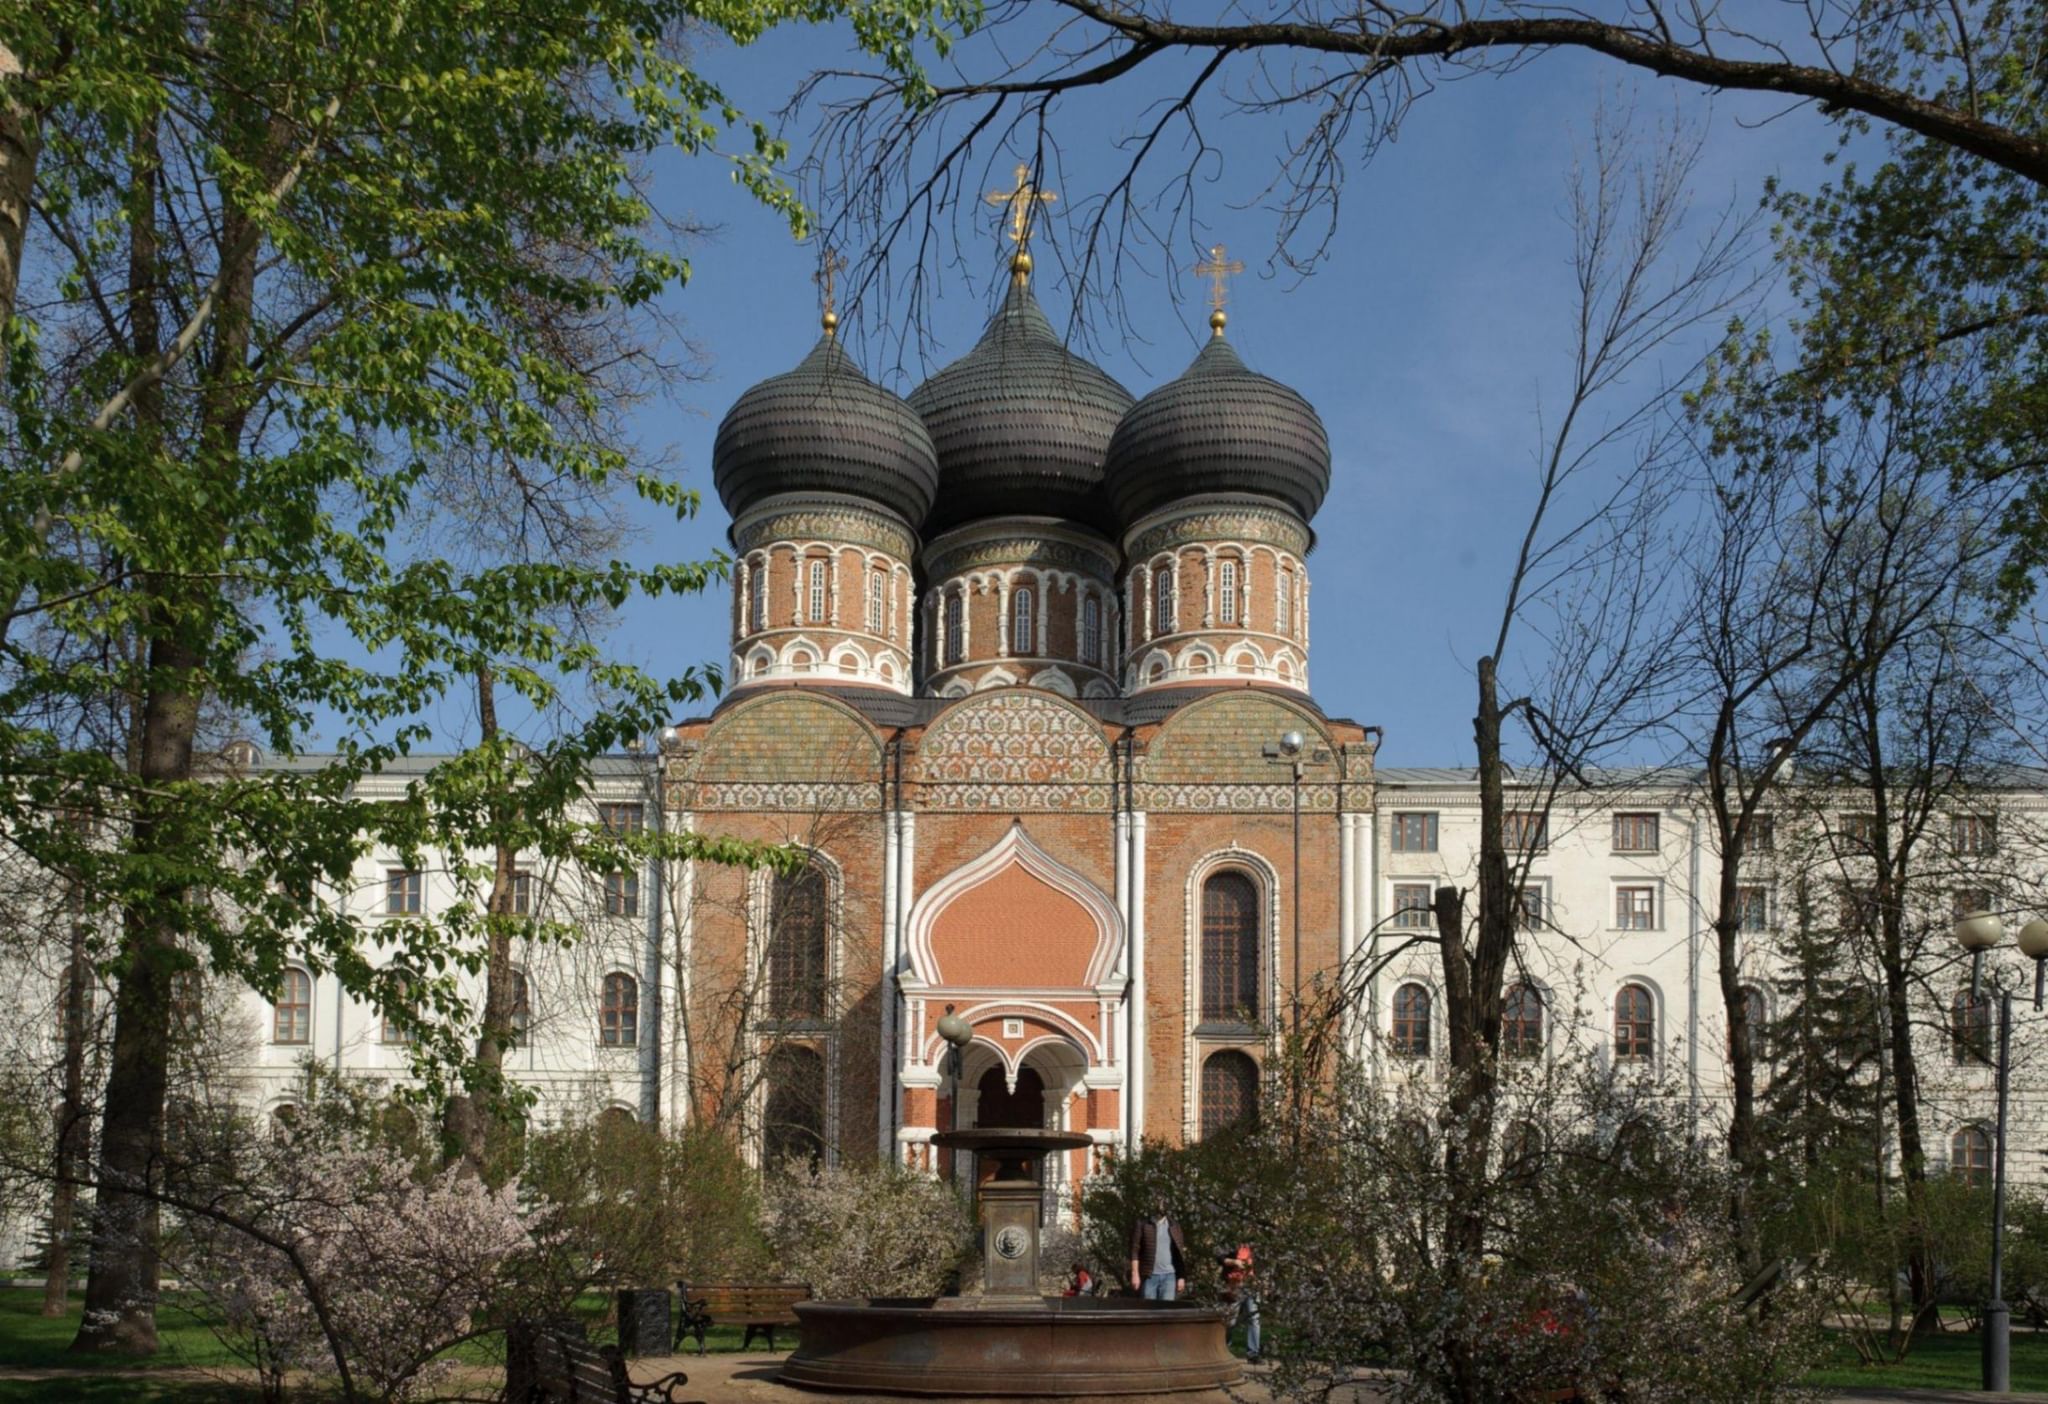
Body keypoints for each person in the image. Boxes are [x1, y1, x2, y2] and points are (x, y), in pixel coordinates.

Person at [1127, 1205, 1188, 1301]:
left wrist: (1181, 1277)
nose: (1161, 1207)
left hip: (1169, 1277)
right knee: (1148, 1312)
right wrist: (1135, 1274)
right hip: (1149, 1276)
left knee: (1167, 1312)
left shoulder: (1174, 1226)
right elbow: (1134, 1251)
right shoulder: (1143, 1224)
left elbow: (1179, 1254)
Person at [1218, 1243, 1261, 1363]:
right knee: (1230, 1320)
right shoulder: (1232, 1241)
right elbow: (1220, 1258)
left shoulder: (1256, 1245)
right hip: (1234, 1284)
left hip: (1251, 1285)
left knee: (1254, 1318)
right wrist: (1234, 1262)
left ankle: (1253, 1353)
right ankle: (1224, 1349)